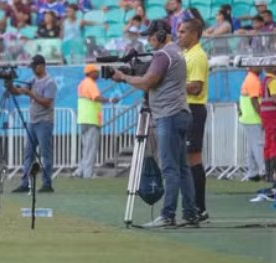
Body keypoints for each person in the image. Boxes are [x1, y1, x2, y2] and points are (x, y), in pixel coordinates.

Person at [112, 20, 197, 228]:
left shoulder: (163, 55)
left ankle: (168, 215)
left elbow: (147, 82)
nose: (148, 40)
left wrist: (124, 77)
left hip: (168, 114)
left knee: (169, 168)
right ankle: (190, 213)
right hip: (181, 112)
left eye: (151, 36)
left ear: (160, 35)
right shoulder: (176, 52)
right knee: (182, 168)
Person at [9, 55, 57, 193]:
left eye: (34, 66)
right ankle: (25, 183)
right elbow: (19, 92)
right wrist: (10, 85)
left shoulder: (50, 82)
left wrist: (30, 94)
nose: (33, 69)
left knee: (45, 154)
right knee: (28, 153)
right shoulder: (32, 80)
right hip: (32, 121)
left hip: (45, 122)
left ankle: (47, 184)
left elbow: (47, 103)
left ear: (41, 65)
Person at [178, 19, 209, 222]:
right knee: (187, 159)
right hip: (187, 109)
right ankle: (193, 206)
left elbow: (196, 86)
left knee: (193, 158)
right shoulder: (188, 54)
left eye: (182, 32)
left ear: (194, 34)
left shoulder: (197, 56)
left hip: (194, 109)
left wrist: (172, 85)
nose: (178, 35)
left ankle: (200, 207)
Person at [73, 65, 118, 179]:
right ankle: (88, 173)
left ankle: (80, 171)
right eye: (96, 72)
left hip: (83, 119)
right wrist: (109, 100)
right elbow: (96, 97)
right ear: (90, 72)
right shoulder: (90, 84)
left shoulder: (83, 83)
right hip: (91, 119)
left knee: (86, 148)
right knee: (91, 148)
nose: (98, 74)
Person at [239, 67, 267, 181]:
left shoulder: (250, 78)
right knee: (258, 144)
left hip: (247, 117)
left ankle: (253, 172)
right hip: (253, 118)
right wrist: (263, 116)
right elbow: (254, 100)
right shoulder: (253, 80)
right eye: (258, 65)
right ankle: (263, 170)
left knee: (252, 146)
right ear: (251, 67)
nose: (261, 67)